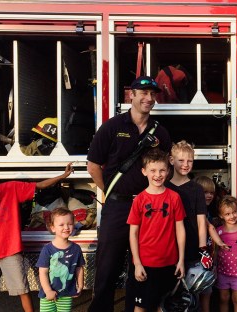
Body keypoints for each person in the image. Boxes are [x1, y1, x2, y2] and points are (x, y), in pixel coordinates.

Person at [85, 76, 172, 312]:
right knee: (107, 268)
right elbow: (93, 165)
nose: (149, 98)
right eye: (143, 93)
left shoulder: (160, 133)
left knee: (142, 266)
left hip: (148, 209)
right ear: (130, 95)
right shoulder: (112, 127)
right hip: (118, 208)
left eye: (153, 94)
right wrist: (112, 192)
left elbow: (166, 169)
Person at [0, 162, 73, 312]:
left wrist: (63, 175)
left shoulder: (10, 188)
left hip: (11, 249)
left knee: (22, 289)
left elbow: (39, 185)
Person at [127, 148, 186, 312]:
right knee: (141, 307)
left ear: (168, 171)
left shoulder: (174, 197)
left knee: (163, 306)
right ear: (144, 171)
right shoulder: (139, 200)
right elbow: (133, 233)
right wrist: (137, 263)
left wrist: (181, 259)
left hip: (169, 263)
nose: (158, 175)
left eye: (162, 170)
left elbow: (180, 229)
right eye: (153, 170)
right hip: (145, 264)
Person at [165, 140, 212, 311]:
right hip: (169, 249)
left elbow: (201, 220)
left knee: (192, 296)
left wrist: (202, 249)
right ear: (171, 160)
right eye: (181, 160)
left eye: (190, 161)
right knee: (169, 295)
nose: (186, 165)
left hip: (192, 249)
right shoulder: (164, 187)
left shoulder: (196, 189)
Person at [37, 208, 85, 312]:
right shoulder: (47, 249)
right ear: (53, 228)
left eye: (70, 224)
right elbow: (43, 272)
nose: (66, 227)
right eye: (61, 225)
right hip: (47, 296)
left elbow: (79, 268)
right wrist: (48, 291)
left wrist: (80, 285)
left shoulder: (76, 248)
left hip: (66, 294)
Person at [212, 196, 237, 312]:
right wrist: (214, 267)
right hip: (222, 272)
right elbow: (216, 251)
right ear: (221, 215)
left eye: (234, 212)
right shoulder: (218, 231)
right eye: (227, 214)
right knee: (223, 299)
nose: (232, 216)